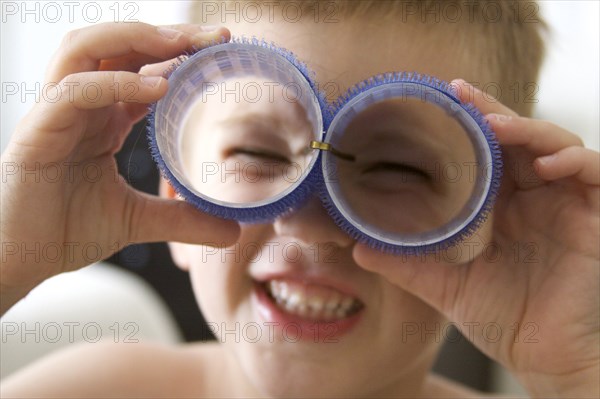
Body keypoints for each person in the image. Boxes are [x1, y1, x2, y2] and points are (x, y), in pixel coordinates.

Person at [1, 1, 598, 397]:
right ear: (175, 186)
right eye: (257, 155)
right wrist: (11, 256)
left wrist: (577, 371)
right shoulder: (108, 389)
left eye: (398, 170)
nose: (309, 226)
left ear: (483, 222)